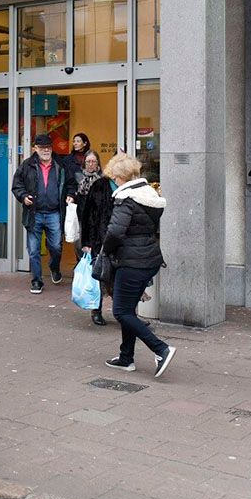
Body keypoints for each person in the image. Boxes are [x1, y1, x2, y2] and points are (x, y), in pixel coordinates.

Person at [101, 154, 176, 378]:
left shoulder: (126, 199)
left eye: (113, 176)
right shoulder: (148, 195)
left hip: (131, 262)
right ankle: (126, 357)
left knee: (121, 311)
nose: (112, 180)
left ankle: (161, 349)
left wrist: (107, 250)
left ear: (120, 177)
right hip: (149, 258)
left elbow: (115, 231)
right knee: (129, 309)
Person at [11, 133, 75, 293]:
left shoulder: (60, 164)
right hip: (35, 213)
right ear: (35, 149)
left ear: (51, 148)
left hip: (54, 212)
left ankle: (54, 267)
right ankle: (37, 281)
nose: (46, 150)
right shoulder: (27, 165)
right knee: (33, 250)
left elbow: (71, 183)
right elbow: (17, 185)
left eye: (48, 147)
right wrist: (23, 196)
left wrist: (71, 194)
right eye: (42, 148)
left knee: (56, 247)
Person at [80, 154, 114, 326]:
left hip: (120, 240)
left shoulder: (129, 187)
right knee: (99, 274)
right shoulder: (100, 185)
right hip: (100, 238)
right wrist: (86, 242)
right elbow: (87, 216)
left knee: (119, 277)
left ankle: (125, 313)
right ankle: (96, 310)